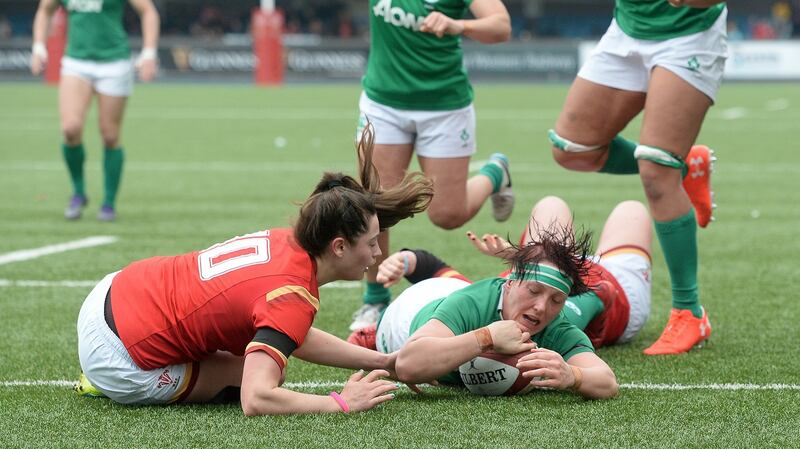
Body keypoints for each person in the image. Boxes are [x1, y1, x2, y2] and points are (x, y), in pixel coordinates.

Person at [74, 126, 435, 415]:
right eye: (371, 242)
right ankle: (103, 381)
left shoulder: (289, 243)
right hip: (116, 355)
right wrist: (340, 403)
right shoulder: (291, 295)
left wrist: (386, 362)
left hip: (112, 291)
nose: (376, 252)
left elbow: (292, 332)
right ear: (338, 246)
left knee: (259, 355)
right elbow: (257, 399)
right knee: (246, 376)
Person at [546, 0, 725, 354]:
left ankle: (689, 313)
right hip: (628, 28)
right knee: (571, 149)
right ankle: (686, 167)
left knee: (657, 173)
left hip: (689, 35)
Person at [351, 196, 634, 399]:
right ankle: (374, 326)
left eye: (556, 300)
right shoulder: (473, 303)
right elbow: (408, 365)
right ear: (509, 283)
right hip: (409, 314)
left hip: (454, 294)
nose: (541, 307)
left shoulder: (557, 328)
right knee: (450, 286)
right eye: (534, 291)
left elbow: (607, 381)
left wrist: (574, 376)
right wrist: (485, 338)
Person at [352, 0, 515, 331]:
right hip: (384, 101)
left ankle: (496, 172)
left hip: (444, 106)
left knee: (447, 215)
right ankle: (375, 298)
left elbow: (501, 26)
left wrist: (460, 26)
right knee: (375, 205)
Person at [30, 0, 160, 221]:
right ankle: (78, 192)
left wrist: (148, 53)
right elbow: (45, 10)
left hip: (114, 63)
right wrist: (38, 46)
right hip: (76, 62)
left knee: (110, 135)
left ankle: (109, 202)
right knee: (71, 129)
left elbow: (148, 11)